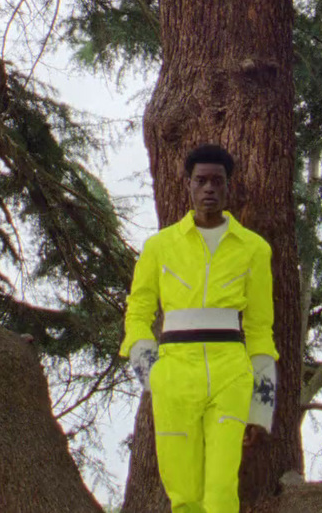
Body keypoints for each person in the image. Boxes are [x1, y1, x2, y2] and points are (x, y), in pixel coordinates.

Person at [121, 143, 277, 513]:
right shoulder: (158, 247)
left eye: (217, 181)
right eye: (201, 180)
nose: (209, 188)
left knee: (222, 492)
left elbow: (259, 328)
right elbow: (138, 313)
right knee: (184, 493)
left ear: (228, 187)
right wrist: (151, 374)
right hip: (174, 373)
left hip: (230, 374)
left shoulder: (254, 249)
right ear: (188, 185)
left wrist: (260, 408)